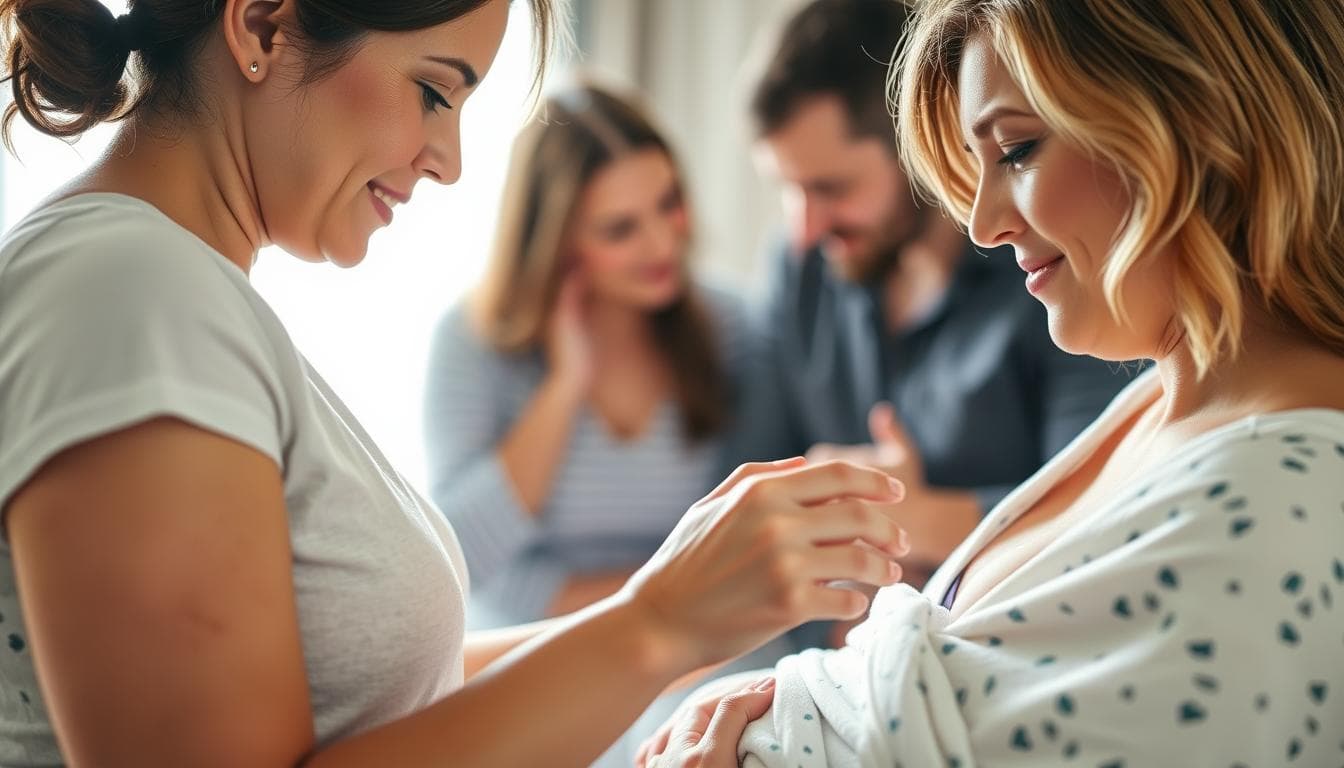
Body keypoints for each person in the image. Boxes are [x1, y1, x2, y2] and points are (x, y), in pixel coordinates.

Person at [0, 1, 916, 765]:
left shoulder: (184, 299)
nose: (451, 161)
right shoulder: (128, 290)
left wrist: (699, 635)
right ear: (261, 28)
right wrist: (656, 622)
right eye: (433, 91)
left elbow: (398, 700)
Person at [638, 0, 1344, 765]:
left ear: (1198, 120)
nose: (982, 222)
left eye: (1017, 150)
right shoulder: (1165, 399)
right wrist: (792, 687)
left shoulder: (1264, 490)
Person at [739, 0, 1132, 589]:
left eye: (831, 187)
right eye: (788, 190)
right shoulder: (797, 272)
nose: (805, 227)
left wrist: (912, 520)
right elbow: (745, 497)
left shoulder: (1055, 271)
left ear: (916, 145)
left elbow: (1101, 509)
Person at [423, 82, 756, 632]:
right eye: (620, 229)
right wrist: (564, 387)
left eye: (669, 204)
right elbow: (457, 560)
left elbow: (744, 535)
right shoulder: (471, 343)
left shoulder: (734, 329)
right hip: (530, 645)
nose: (661, 244)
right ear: (556, 242)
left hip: (693, 644)